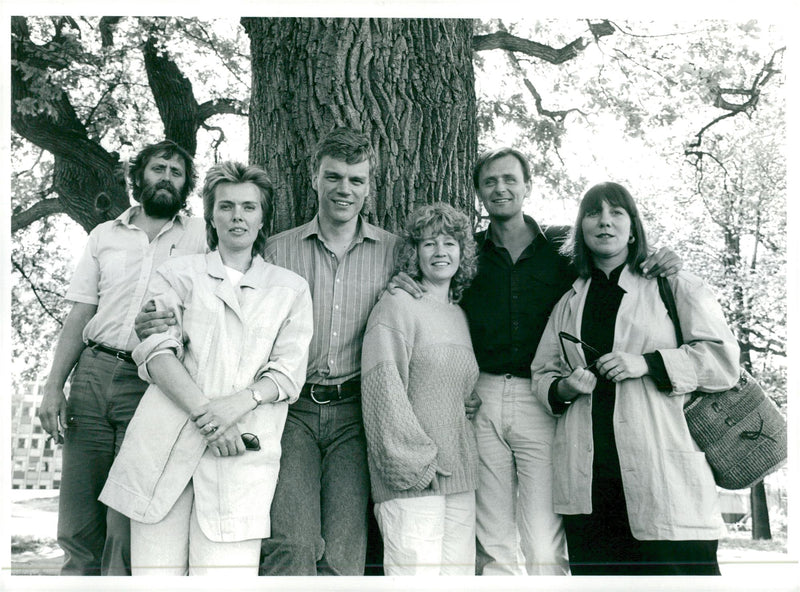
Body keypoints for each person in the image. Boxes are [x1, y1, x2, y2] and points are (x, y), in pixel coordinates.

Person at [391, 147, 680, 575]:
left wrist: (661, 259)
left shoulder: (564, 247)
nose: (500, 188)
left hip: (543, 397)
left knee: (545, 535)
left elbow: (614, 261)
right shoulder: (467, 252)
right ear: (478, 192)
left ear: (527, 186)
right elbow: (434, 292)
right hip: (482, 397)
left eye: (510, 179)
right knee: (492, 536)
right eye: (490, 182)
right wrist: (404, 277)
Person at [98, 161, 313, 575]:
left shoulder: (289, 289)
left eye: (249, 207)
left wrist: (236, 405)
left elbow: (287, 372)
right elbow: (158, 354)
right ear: (210, 215)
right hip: (166, 443)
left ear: (263, 215)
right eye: (226, 206)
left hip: (240, 453)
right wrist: (209, 416)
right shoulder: (178, 274)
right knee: (153, 576)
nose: (237, 216)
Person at [530, 182, 738, 575]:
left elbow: (723, 361)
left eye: (616, 213)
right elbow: (543, 373)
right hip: (592, 489)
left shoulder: (673, 284)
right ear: (581, 227)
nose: (605, 222)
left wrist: (649, 364)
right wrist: (564, 388)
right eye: (593, 213)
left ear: (633, 226)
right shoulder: (569, 299)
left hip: (664, 483)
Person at [36, 140, 205, 575]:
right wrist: (54, 386)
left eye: (176, 172)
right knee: (78, 520)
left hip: (153, 382)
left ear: (186, 185)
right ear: (139, 177)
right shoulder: (104, 236)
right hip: (92, 376)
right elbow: (80, 314)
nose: (166, 177)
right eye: (158, 168)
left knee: (125, 524)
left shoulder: (202, 238)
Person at [361, 203, 480, 575]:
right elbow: (383, 392)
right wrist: (416, 465)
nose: (440, 252)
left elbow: (450, 387)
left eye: (449, 243)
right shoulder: (397, 305)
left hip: (459, 477)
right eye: (429, 244)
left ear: (463, 253)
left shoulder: (459, 314)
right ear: (414, 253)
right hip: (413, 479)